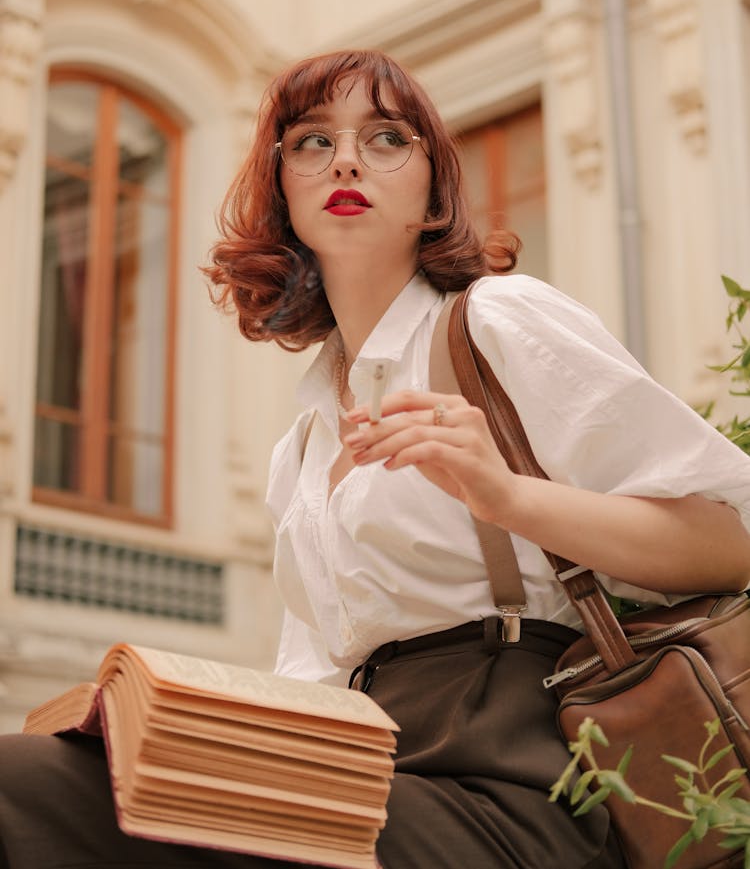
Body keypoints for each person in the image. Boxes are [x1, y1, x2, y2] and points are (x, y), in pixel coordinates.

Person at [1, 49, 749, 869]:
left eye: (387, 137)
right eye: (312, 142)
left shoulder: (497, 320)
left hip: (515, 786)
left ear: (433, 191)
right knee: (38, 781)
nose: (347, 159)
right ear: (282, 187)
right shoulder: (305, 440)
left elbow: (727, 537)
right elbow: (314, 677)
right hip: (355, 771)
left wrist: (506, 496)